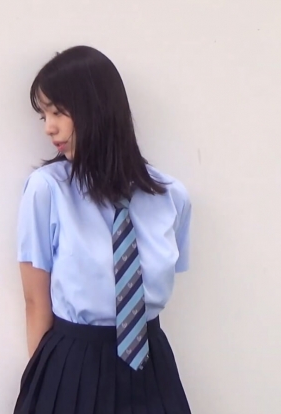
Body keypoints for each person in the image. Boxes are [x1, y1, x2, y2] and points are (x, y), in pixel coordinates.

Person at [13, 45, 193, 414]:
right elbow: (35, 302)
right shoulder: (47, 190)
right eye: (44, 115)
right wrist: (43, 384)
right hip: (71, 365)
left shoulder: (172, 197)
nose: (49, 127)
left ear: (96, 108)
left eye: (58, 112)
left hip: (150, 366)